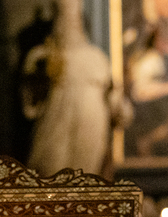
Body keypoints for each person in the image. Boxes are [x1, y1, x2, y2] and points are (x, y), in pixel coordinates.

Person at [21, 0, 118, 176]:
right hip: (56, 129)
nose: (68, 25)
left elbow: (114, 102)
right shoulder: (42, 56)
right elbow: (31, 104)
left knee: (85, 177)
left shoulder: (97, 59)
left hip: (89, 133)